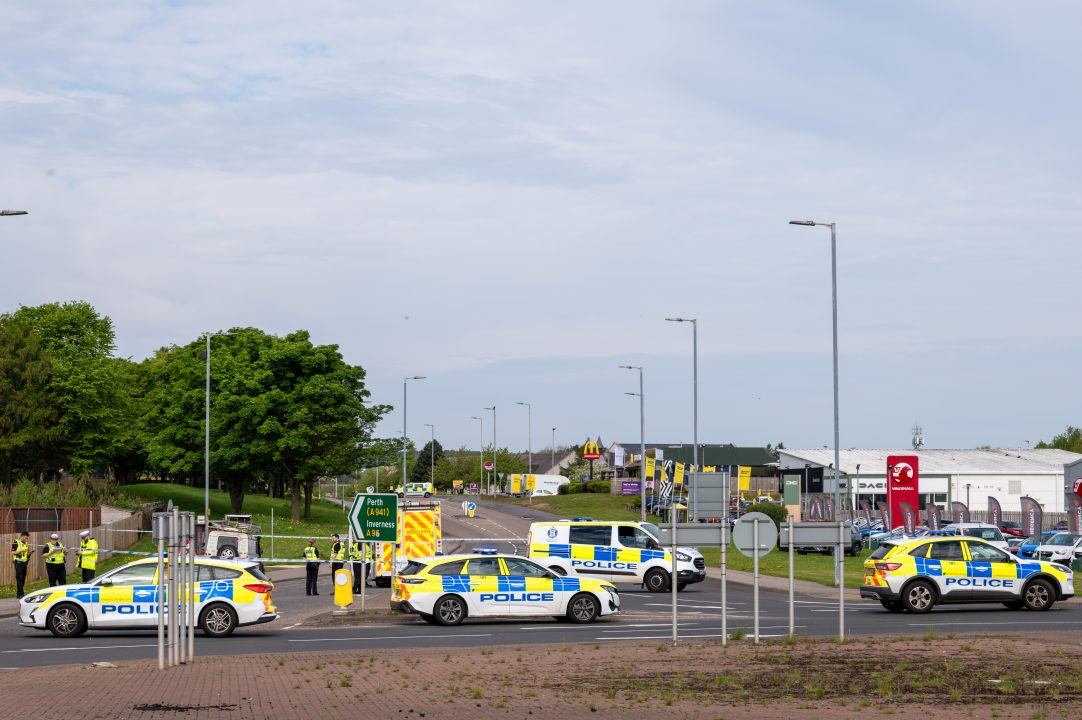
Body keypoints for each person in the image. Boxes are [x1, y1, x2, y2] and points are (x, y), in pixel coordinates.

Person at [10, 531, 30, 599]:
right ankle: (20, 594)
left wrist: (29, 553)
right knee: (19, 578)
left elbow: (26, 553)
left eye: (27, 538)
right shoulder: (16, 542)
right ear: (22, 536)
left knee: (23, 578)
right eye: (25, 538)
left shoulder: (26, 543)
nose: (26, 539)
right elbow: (12, 553)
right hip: (18, 562)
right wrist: (21, 551)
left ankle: (20, 593)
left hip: (24, 563)